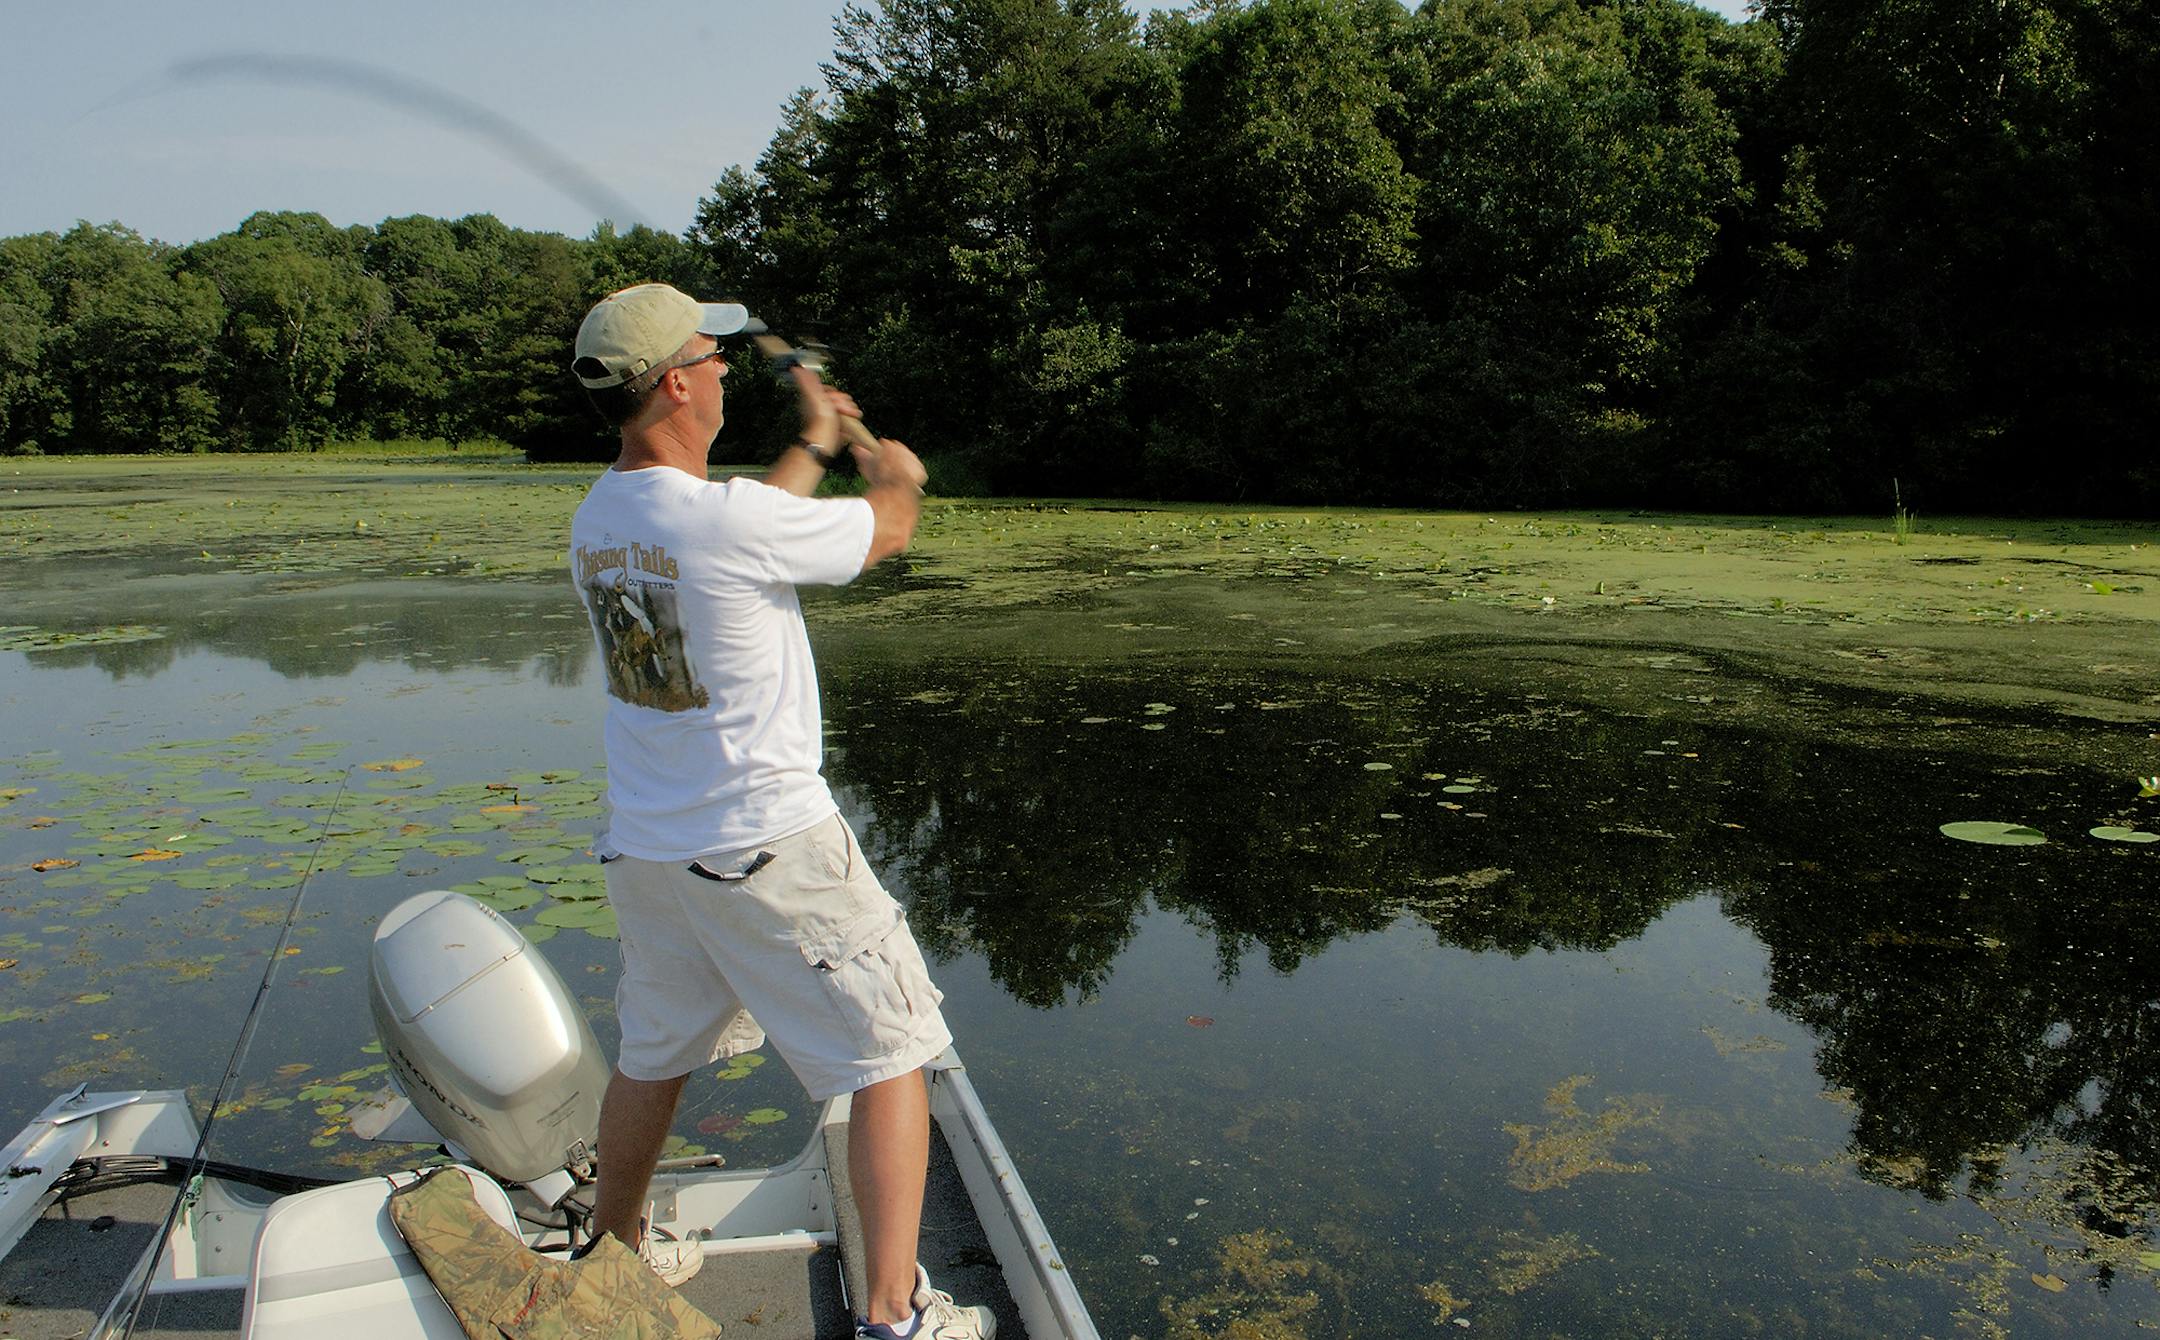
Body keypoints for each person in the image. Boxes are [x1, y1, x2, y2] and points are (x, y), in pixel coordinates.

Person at [566, 282, 992, 1340]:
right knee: (895, 1051)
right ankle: (896, 1316)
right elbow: (879, 531)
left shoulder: (605, 516)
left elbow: (751, 524)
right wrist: (894, 479)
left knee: (654, 1049)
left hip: (653, 853)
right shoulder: (728, 522)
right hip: (766, 847)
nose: (720, 368)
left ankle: (611, 1256)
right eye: (708, 358)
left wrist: (812, 439)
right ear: (674, 382)